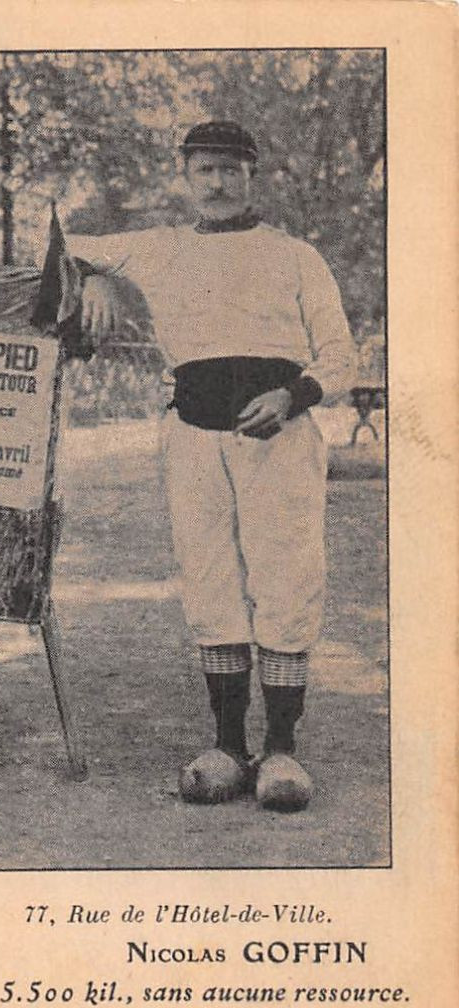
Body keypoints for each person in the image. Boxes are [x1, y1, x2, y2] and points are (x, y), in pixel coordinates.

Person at [72, 121, 357, 812]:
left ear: (252, 175)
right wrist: (94, 280)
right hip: (192, 437)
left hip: (278, 438)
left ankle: (281, 747)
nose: (217, 183)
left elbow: (341, 357)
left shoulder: (295, 257)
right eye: (204, 170)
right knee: (209, 581)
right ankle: (228, 746)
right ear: (186, 176)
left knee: (284, 577)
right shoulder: (157, 248)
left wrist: (293, 394)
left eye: (230, 169)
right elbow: (62, 242)